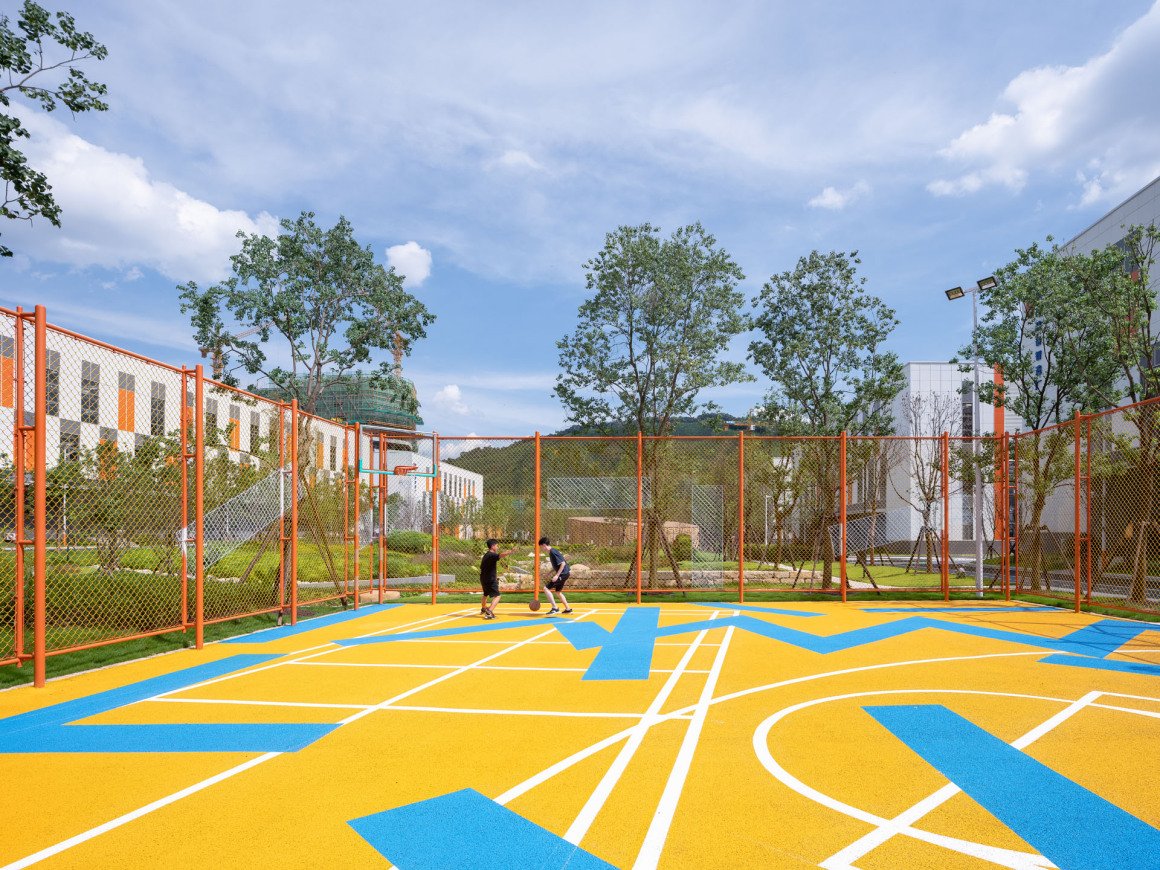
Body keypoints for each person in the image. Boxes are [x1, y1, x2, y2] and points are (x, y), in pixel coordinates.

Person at [480, 538, 516, 619]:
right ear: (492, 546)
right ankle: (489, 612)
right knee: (497, 596)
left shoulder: (486, 555)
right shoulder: (491, 555)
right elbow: (501, 555)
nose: (497, 547)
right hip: (490, 579)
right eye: (496, 545)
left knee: (485, 594)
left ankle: (483, 608)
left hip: (483, 578)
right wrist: (511, 551)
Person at [538, 536, 573, 615]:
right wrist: (549, 573)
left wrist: (557, 575)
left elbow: (562, 564)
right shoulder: (552, 552)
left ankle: (555, 608)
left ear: (544, 545)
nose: (541, 549)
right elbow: (557, 565)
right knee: (558, 592)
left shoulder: (553, 552)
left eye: (541, 547)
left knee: (546, 589)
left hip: (563, 574)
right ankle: (568, 609)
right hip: (565, 573)